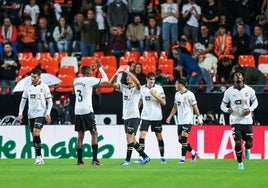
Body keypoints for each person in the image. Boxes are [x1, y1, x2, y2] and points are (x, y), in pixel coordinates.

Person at [109, 65, 150, 166]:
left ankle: (127, 160)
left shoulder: (137, 89)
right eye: (126, 77)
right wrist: (117, 73)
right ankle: (145, 156)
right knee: (133, 140)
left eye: (129, 77)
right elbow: (111, 83)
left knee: (129, 138)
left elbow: (138, 83)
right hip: (126, 117)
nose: (127, 78)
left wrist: (128, 72)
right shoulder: (124, 88)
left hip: (134, 117)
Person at [220, 70, 258, 170]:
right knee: (237, 142)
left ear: (243, 78)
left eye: (239, 75)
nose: (238, 76)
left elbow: (255, 103)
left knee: (250, 144)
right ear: (233, 79)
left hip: (247, 120)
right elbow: (222, 106)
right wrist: (227, 109)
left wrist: (250, 109)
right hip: (235, 120)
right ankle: (240, 163)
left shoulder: (250, 90)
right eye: (236, 75)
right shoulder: (228, 92)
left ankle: (246, 148)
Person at [73, 60, 108, 166]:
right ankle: (95, 159)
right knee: (94, 133)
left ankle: (79, 161)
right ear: (88, 73)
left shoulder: (75, 80)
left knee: (80, 135)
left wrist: (90, 72)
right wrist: (100, 68)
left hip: (77, 110)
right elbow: (106, 79)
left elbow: (84, 77)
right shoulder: (90, 80)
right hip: (87, 110)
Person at [18, 68, 53, 164]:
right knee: (34, 135)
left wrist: (48, 113)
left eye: (34, 77)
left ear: (39, 77)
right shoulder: (27, 87)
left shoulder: (45, 87)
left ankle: (38, 157)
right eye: (31, 77)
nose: (32, 79)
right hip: (30, 115)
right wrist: (20, 113)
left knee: (36, 133)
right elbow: (23, 101)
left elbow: (50, 101)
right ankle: (39, 157)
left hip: (41, 113)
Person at [166, 77, 202, 163]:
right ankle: (193, 153)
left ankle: (182, 158)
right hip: (180, 120)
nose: (175, 85)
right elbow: (175, 107)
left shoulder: (190, 94)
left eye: (176, 83)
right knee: (180, 140)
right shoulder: (177, 94)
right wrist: (170, 116)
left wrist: (199, 118)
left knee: (184, 139)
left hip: (188, 120)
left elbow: (195, 107)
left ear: (181, 84)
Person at [137, 72, 166, 164]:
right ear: (147, 79)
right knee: (142, 135)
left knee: (159, 136)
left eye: (153, 79)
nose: (152, 81)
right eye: (150, 79)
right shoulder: (142, 88)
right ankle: (142, 157)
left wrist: (155, 95)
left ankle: (162, 156)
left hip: (156, 117)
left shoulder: (159, 88)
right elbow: (140, 100)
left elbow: (164, 102)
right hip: (145, 116)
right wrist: (136, 111)